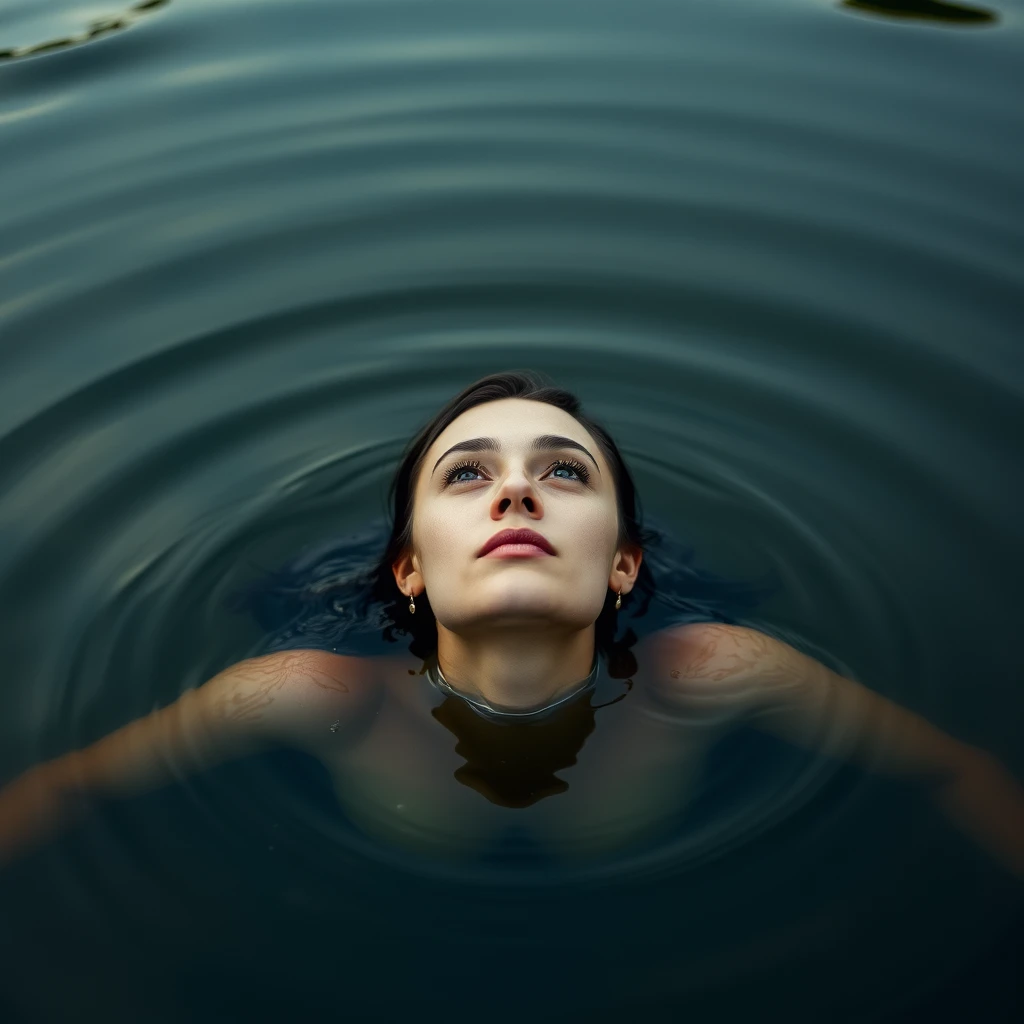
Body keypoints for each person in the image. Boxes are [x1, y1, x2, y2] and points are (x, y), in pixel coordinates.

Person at [1, 371, 1022, 873]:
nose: (517, 493)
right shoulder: (304, 693)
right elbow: (68, 789)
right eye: (469, 474)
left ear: (625, 564)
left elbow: (952, 773)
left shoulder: (717, 672)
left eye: (562, 472)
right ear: (407, 568)